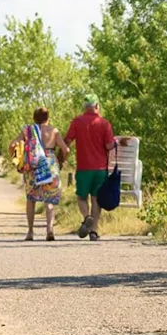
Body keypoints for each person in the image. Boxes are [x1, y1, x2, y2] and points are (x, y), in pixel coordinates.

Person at [10, 107, 68, 242]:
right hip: (50, 165)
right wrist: (61, 160)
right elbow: (66, 149)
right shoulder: (54, 131)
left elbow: (13, 144)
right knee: (50, 199)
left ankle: (30, 231)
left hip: (33, 166)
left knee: (31, 199)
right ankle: (50, 230)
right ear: (48, 118)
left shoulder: (27, 131)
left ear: (34, 118)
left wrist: (16, 159)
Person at [64, 95, 117, 241]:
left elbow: (67, 141)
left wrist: (60, 158)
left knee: (81, 197)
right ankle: (93, 231)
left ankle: (86, 217)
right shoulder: (104, 123)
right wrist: (116, 143)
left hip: (83, 168)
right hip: (100, 169)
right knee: (96, 199)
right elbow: (108, 146)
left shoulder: (77, 122)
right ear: (97, 106)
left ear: (85, 107)